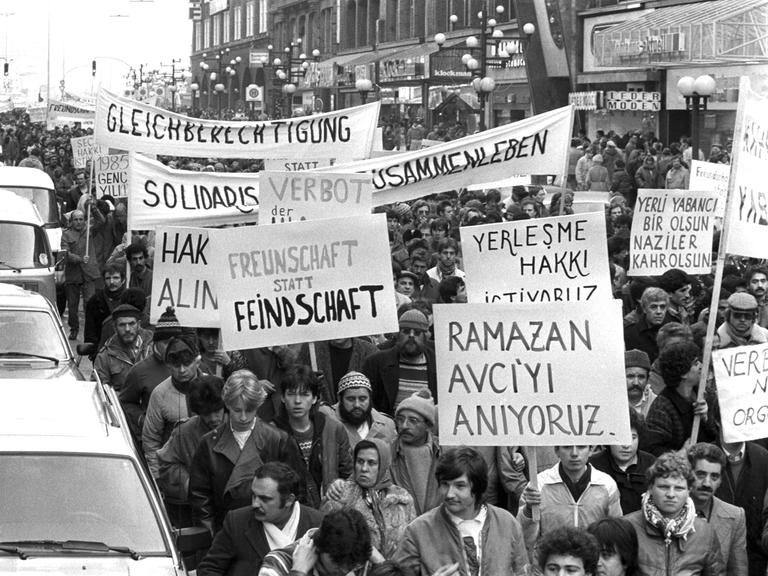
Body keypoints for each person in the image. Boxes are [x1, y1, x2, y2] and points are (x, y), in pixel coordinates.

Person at [189, 370, 304, 534]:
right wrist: (212, 537)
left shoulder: (278, 439)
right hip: (228, 533)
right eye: (237, 410)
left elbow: (296, 492)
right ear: (226, 405)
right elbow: (200, 498)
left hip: (272, 531)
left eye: (249, 409)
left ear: (258, 405)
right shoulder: (208, 444)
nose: (243, 417)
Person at [394, 446, 528, 576]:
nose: (449, 494)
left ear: (477, 486)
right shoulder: (418, 531)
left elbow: (522, 571)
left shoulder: (506, 523)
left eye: (460, 486)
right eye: (445, 484)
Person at [197, 462, 323, 576]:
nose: (255, 504)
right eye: (253, 496)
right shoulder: (237, 522)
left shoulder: (317, 524)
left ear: (289, 500)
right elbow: (208, 570)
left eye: (265, 499)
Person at [624, 452, 725, 576]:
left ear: (689, 490)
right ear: (650, 487)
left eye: (679, 488)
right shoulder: (627, 527)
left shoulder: (705, 533)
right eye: (664, 487)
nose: (671, 494)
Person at [271, 364, 353, 508]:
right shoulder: (271, 433)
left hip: (328, 510)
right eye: (291, 394)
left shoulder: (333, 428)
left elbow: (349, 473)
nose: (297, 401)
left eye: (304, 394)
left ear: (315, 398)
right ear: (283, 397)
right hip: (288, 511)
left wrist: (341, 484)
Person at [517, 445, 622, 556]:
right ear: (557, 450)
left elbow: (616, 533)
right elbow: (522, 537)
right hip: (551, 563)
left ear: (591, 450)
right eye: (567, 447)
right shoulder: (538, 485)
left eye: (581, 447)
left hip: (592, 563)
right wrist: (528, 510)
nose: (574, 453)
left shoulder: (606, 485)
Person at [323, 439, 416, 560]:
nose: (364, 468)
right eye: (360, 461)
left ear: (383, 465)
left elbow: (411, 544)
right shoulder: (340, 495)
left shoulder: (402, 498)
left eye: (371, 463)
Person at [157, 374, 226, 527]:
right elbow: (166, 465)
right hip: (195, 512)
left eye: (217, 411)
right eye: (207, 414)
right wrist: (188, 482)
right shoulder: (184, 432)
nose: (214, 418)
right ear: (197, 412)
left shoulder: (237, 427)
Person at [143, 333, 206, 477]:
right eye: (176, 366)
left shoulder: (213, 387)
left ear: (197, 362)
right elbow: (151, 440)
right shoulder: (160, 394)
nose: (182, 370)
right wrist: (157, 478)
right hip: (175, 476)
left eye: (187, 364)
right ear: (168, 366)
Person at [119, 306, 182, 444]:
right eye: (166, 343)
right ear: (156, 342)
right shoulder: (139, 371)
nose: (172, 347)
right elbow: (125, 402)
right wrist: (142, 420)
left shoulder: (190, 367)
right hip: (154, 442)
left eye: (175, 342)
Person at [642, 341, 716, 456]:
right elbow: (652, 451)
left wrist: (706, 418)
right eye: (696, 363)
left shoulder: (707, 396)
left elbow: (719, 436)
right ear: (683, 373)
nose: (702, 366)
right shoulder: (661, 408)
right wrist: (683, 453)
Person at [687, 443, 747, 576]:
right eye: (701, 475)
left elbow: (738, 571)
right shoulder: (669, 509)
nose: (707, 483)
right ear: (688, 474)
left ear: (720, 480)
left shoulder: (735, 516)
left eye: (714, 477)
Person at [364, 309, 437, 416]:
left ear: (425, 337)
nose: (411, 336)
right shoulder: (376, 362)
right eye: (406, 331)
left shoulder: (439, 364)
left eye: (417, 332)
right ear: (397, 334)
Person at [258, 509, 374, 576]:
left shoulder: (356, 560)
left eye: (352, 565)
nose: (345, 570)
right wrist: (299, 571)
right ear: (320, 546)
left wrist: (381, 563)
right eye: (338, 562)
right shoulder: (278, 564)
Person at [717, 430, 768, 576]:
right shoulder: (706, 455)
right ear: (718, 422)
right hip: (713, 557)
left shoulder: (763, 457)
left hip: (754, 558)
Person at [589, 409, 654, 515]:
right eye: (620, 438)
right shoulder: (593, 465)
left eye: (633, 438)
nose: (626, 445)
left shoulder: (651, 463)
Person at [390, 390, 441, 515]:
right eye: (400, 420)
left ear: (428, 425)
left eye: (413, 420)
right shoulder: (386, 452)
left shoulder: (444, 452)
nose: (404, 425)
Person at [60, 204, 105, 340]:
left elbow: (102, 222)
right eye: (76, 219)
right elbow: (65, 254)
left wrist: (94, 207)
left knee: (90, 303)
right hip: (73, 274)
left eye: (81, 219)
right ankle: (74, 328)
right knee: (72, 306)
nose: (79, 222)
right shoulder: (66, 234)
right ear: (71, 221)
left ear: (84, 220)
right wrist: (79, 259)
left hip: (89, 273)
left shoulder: (89, 231)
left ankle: (91, 329)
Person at [296, 338, 378, 404]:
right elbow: (295, 378)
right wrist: (309, 380)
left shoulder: (369, 351)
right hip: (322, 417)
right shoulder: (311, 348)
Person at [92, 303, 152, 391]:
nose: (127, 329)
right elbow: (99, 390)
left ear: (138, 325)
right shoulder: (105, 355)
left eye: (131, 324)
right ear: (115, 327)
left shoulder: (152, 348)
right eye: (122, 325)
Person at [328, 371, 397, 447]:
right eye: (351, 399)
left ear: (370, 398)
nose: (357, 405)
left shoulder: (387, 425)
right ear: (339, 399)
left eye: (362, 399)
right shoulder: (327, 420)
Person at [84, 263, 126, 351]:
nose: (111, 282)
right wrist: (93, 351)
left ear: (123, 280)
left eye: (116, 278)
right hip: (103, 350)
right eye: (108, 278)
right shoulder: (95, 301)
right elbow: (90, 330)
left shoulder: (129, 299)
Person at [623, 287, 670, 363]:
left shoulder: (673, 331)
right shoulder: (629, 334)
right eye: (653, 307)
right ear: (644, 309)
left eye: (662, 307)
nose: (659, 311)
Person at [624, 350, 656, 417]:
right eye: (630, 376)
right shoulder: (611, 401)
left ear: (647, 379)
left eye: (641, 377)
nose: (636, 383)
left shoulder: (656, 403)